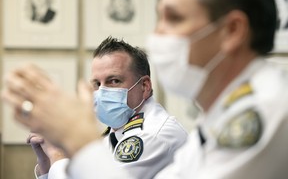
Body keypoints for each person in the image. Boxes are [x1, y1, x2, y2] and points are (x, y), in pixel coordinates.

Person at [3, 0, 288, 179]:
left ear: (232, 31)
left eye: (173, 18)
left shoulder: (264, 112)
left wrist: (73, 141)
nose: (157, 34)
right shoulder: (219, 118)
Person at [25, 37, 187, 179]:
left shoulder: (153, 134)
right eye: (97, 83)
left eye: (114, 81)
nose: (101, 91)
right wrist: (47, 165)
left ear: (144, 86)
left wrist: (57, 155)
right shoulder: (116, 130)